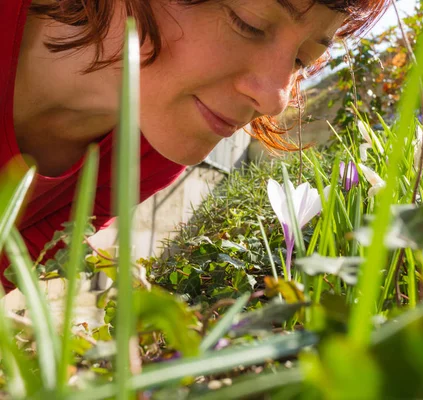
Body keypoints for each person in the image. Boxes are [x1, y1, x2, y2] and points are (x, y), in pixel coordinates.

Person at [0, 0, 388, 293]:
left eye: (302, 59)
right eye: (248, 24)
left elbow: (13, 261)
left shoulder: (148, 152)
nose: (276, 99)